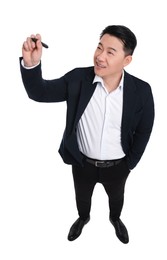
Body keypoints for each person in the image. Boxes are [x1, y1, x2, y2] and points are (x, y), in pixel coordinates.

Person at [20, 25, 155, 244]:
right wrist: (31, 63)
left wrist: (130, 163)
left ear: (126, 60)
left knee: (117, 198)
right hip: (82, 163)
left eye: (110, 52)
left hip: (118, 166)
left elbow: (144, 129)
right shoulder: (78, 79)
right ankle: (83, 218)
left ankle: (115, 219)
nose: (100, 56)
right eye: (99, 47)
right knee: (82, 199)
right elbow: (39, 92)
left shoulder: (142, 91)